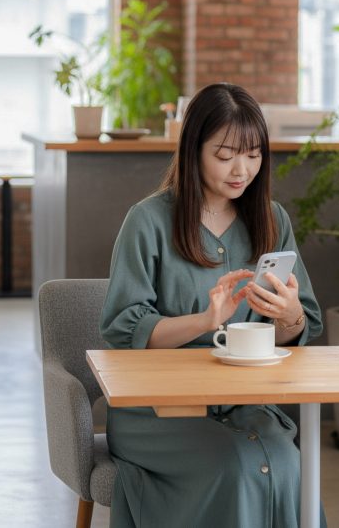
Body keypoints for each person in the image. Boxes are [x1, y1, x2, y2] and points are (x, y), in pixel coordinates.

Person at [100, 82, 325, 528]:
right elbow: (124, 328)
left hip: (244, 400)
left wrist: (288, 315)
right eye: (225, 155)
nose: (242, 169)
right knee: (235, 465)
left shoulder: (271, 218)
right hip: (157, 409)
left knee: (285, 464)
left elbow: (300, 328)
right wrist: (205, 320)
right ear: (193, 150)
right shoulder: (147, 221)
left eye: (254, 154)